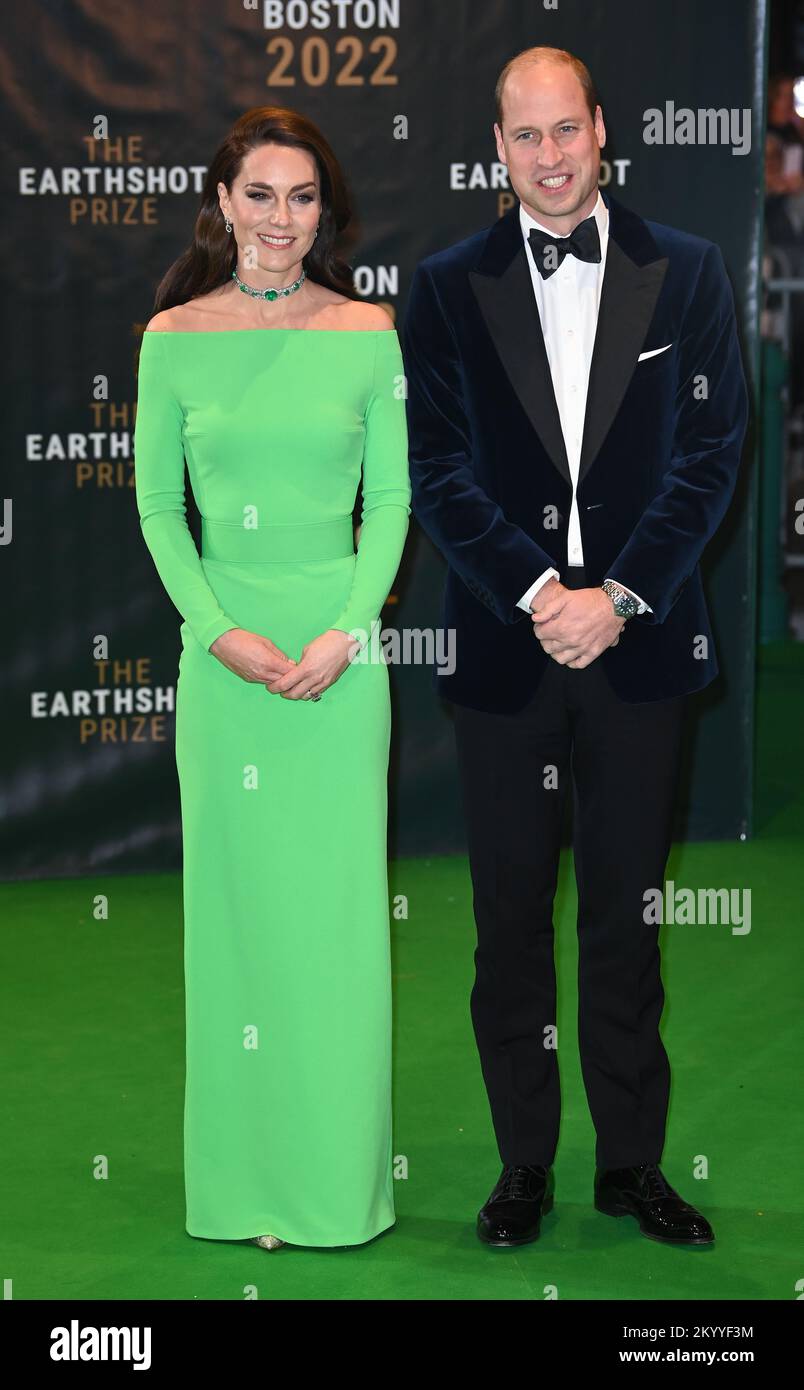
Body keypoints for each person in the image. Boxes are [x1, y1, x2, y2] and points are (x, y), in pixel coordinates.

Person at [402, 46, 748, 1248]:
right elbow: (437, 472)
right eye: (524, 136)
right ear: (498, 147)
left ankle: (633, 1165)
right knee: (507, 925)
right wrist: (543, 591)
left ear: (602, 130)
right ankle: (522, 1167)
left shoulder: (689, 271)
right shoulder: (446, 287)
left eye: (567, 130)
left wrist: (623, 596)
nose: (548, 157)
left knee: (624, 917)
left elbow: (713, 454)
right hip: (508, 654)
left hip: (639, 651)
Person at [133, 106, 410, 1250]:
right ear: (223, 202)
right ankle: (245, 1183)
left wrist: (349, 629)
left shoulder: (368, 329)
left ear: (324, 212)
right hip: (228, 662)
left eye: (302, 198)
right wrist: (212, 631)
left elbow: (390, 501)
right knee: (239, 923)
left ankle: (335, 1187)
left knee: (336, 924)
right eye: (260, 195)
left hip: (340, 662)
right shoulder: (170, 337)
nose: (281, 220)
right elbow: (159, 507)